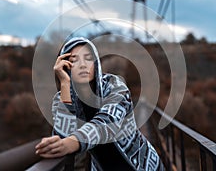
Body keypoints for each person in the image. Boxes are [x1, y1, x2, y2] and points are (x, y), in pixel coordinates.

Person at [35, 37, 165, 171]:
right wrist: (64, 83)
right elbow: (61, 139)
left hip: (142, 165)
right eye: (74, 60)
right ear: (65, 65)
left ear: (96, 62)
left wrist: (70, 143)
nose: (83, 64)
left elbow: (106, 123)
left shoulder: (115, 86)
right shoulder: (62, 97)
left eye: (88, 58)